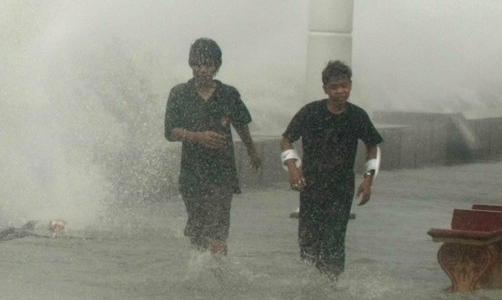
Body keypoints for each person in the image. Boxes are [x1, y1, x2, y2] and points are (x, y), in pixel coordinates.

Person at [280, 60, 382, 280]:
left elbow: (372, 146)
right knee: (308, 239)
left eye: (344, 86)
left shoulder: (357, 116)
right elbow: (287, 139)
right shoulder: (310, 112)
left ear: (350, 85)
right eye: (334, 87)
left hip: (341, 187)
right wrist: (293, 170)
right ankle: (312, 284)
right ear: (325, 88)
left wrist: (368, 180)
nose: (340, 91)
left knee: (334, 238)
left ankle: (331, 286)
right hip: (311, 185)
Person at [164, 38, 261, 255]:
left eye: (208, 65)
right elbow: (170, 132)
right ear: (191, 65)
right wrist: (197, 136)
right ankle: (200, 270)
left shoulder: (228, 94)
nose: (202, 70)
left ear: (216, 66)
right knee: (198, 230)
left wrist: (252, 150)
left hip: (222, 170)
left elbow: (241, 124)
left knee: (218, 229)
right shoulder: (180, 93)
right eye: (197, 65)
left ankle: (218, 272)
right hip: (192, 171)